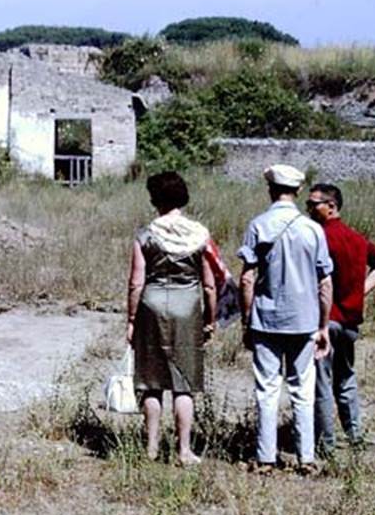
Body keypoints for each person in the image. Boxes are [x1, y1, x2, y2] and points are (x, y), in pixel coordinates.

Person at [238, 165, 333, 476]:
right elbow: (325, 283)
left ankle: (265, 456)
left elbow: (247, 279)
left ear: (270, 189)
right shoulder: (313, 230)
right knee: (302, 388)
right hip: (304, 319)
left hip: (266, 318)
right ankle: (306, 456)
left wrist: (246, 319)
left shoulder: (258, 225)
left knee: (267, 389)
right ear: (297, 192)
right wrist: (323, 325)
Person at [127, 171, 217, 466]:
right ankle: (184, 451)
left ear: (154, 200)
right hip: (187, 307)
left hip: (151, 306)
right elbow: (209, 284)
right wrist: (210, 318)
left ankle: (151, 448)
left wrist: (131, 319)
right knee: (184, 383)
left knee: (151, 382)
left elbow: (136, 283)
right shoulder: (199, 234)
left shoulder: (145, 235)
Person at [306, 183, 375, 453]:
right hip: (350, 323)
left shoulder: (318, 238)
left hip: (326, 322)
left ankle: (325, 444)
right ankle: (355, 436)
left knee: (320, 383)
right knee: (345, 380)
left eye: (313, 204)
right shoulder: (357, 239)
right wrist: (361, 291)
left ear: (332, 206)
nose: (308, 209)